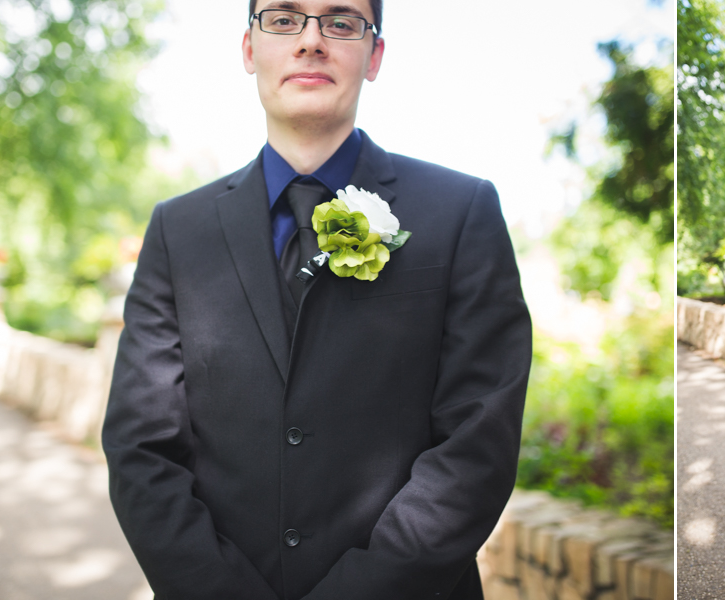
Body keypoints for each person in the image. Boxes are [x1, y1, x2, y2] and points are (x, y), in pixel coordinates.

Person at [100, 1, 532, 598]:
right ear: (249, 49)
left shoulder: (461, 212)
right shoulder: (179, 229)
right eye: (282, 18)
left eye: (340, 20)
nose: (310, 41)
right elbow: (141, 447)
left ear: (374, 54)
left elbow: (477, 446)